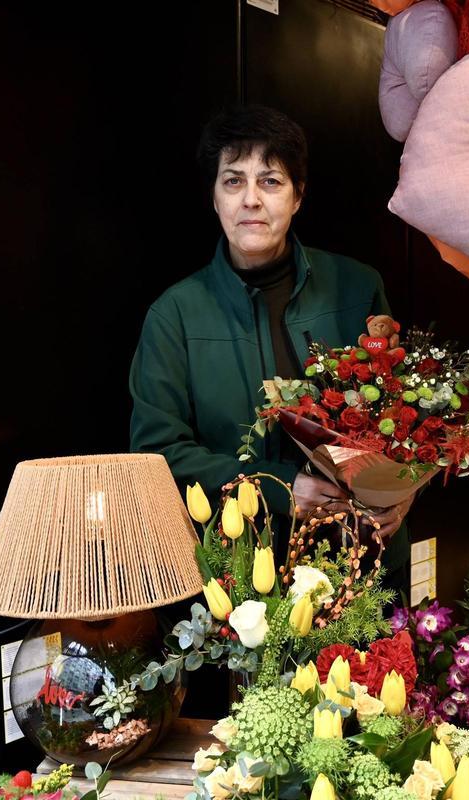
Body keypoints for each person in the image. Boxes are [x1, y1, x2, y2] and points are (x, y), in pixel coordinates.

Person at [128, 105, 413, 588]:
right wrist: (279, 488)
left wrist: (403, 488)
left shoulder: (357, 287)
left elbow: (405, 415)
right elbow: (158, 454)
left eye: (271, 181)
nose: (251, 200)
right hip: (243, 573)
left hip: (361, 553)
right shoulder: (175, 315)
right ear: (214, 197)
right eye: (234, 181)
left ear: (298, 196)